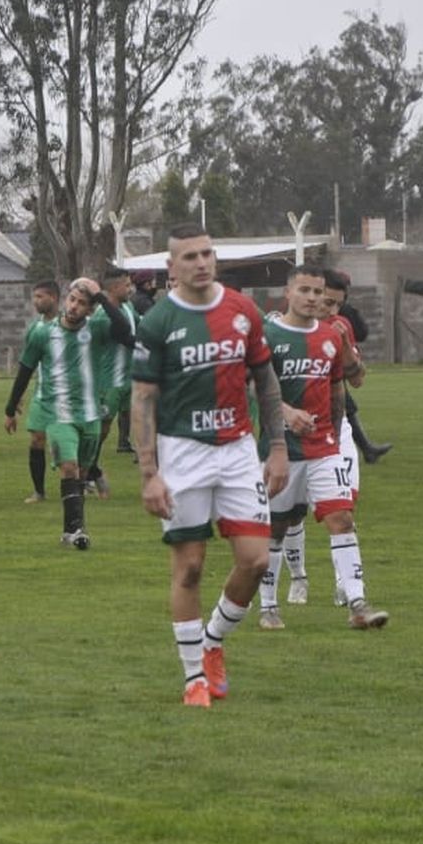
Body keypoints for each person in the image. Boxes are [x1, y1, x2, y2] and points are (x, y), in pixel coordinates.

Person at [132, 225, 289, 708]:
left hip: (239, 450)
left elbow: (265, 381)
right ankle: (193, 678)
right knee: (190, 567)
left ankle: (214, 641)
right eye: (190, 257)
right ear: (171, 267)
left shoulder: (243, 311)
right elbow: (142, 400)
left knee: (256, 560)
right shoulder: (157, 322)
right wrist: (149, 472)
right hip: (183, 453)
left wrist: (277, 445)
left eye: (207, 254)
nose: (201, 263)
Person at [257, 266, 389, 632]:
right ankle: (267, 605)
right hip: (279, 449)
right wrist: (285, 413)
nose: (313, 298)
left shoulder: (330, 337)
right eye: (305, 290)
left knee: (342, 518)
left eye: (318, 292)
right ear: (288, 292)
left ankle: (357, 602)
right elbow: (251, 389)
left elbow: (337, 390)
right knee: (277, 528)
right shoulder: (268, 335)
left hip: (322, 449)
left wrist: (333, 434)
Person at [4, 277, 133, 548]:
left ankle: (70, 531)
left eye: (82, 303)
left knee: (81, 475)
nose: (74, 306)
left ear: (89, 309)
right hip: (58, 413)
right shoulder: (43, 333)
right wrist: (10, 408)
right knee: (69, 468)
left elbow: (123, 331)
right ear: (65, 300)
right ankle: (76, 532)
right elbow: (25, 371)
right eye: (72, 300)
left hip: (90, 415)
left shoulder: (97, 329)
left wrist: (100, 297)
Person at [323, 270, 392, 464]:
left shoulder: (341, 324)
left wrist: (344, 343)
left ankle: (366, 449)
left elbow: (357, 380)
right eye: (329, 303)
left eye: (339, 304)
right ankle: (367, 448)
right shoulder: (279, 328)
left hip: (336, 425)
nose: (334, 311)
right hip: (296, 428)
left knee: (343, 493)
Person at [84, 265, 140, 490]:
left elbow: (140, 328)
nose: (130, 289)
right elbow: (127, 337)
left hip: (129, 378)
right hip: (109, 382)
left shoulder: (128, 308)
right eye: (127, 285)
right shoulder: (100, 318)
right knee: (102, 428)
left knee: (144, 422)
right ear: (115, 288)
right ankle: (87, 470)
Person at [17, 280, 60, 504]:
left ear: (54, 298)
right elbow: (28, 364)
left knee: (66, 446)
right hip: (43, 395)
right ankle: (39, 491)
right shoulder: (35, 328)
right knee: (36, 440)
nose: (36, 302)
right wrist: (19, 396)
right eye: (34, 297)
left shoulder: (68, 324)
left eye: (40, 297)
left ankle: (88, 476)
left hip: (66, 397)